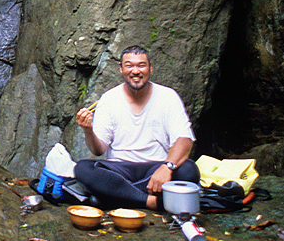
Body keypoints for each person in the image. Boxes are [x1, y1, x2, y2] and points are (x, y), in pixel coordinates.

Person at [73, 45, 200, 210]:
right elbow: (99, 150)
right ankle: (150, 202)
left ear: (150, 67)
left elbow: (185, 140)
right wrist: (88, 130)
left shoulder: (168, 96)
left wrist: (166, 167)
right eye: (129, 65)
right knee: (83, 169)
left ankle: (113, 197)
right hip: (119, 170)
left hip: (156, 168)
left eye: (141, 65)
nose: (136, 71)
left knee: (189, 171)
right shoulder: (109, 98)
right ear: (121, 69)